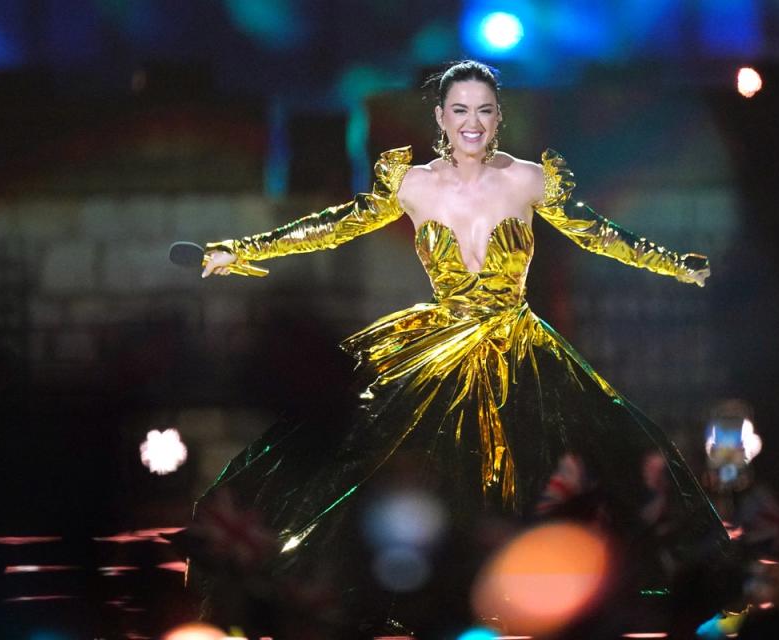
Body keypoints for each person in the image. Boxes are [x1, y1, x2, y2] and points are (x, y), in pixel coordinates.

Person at [192, 60, 731, 636]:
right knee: (376, 454)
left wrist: (673, 263)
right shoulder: (410, 182)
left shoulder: (529, 179)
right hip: (438, 345)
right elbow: (334, 225)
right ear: (440, 117)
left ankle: (543, 585)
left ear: (498, 116)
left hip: (520, 348)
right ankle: (404, 581)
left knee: (564, 462)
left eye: (483, 110)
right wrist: (243, 248)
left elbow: (595, 231)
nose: (471, 122)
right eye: (459, 110)